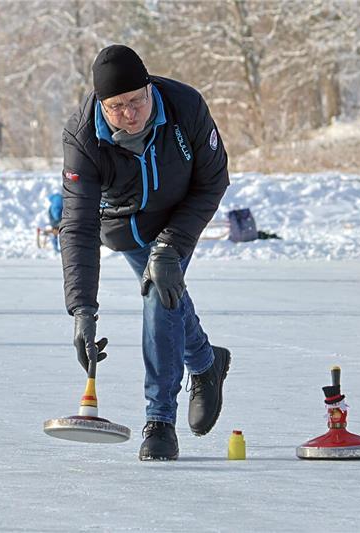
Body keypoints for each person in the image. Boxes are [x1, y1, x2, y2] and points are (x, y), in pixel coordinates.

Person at [60, 45, 231, 461]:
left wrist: (171, 246)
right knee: (169, 297)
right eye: (117, 107)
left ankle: (159, 421)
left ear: (150, 87)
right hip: (126, 226)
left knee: (160, 294)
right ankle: (207, 364)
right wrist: (82, 310)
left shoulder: (184, 106)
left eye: (137, 100)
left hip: (178, 214)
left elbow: (213, 180)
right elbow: (78, 225)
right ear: (102, 104)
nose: (129, 113)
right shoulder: (83, 136)